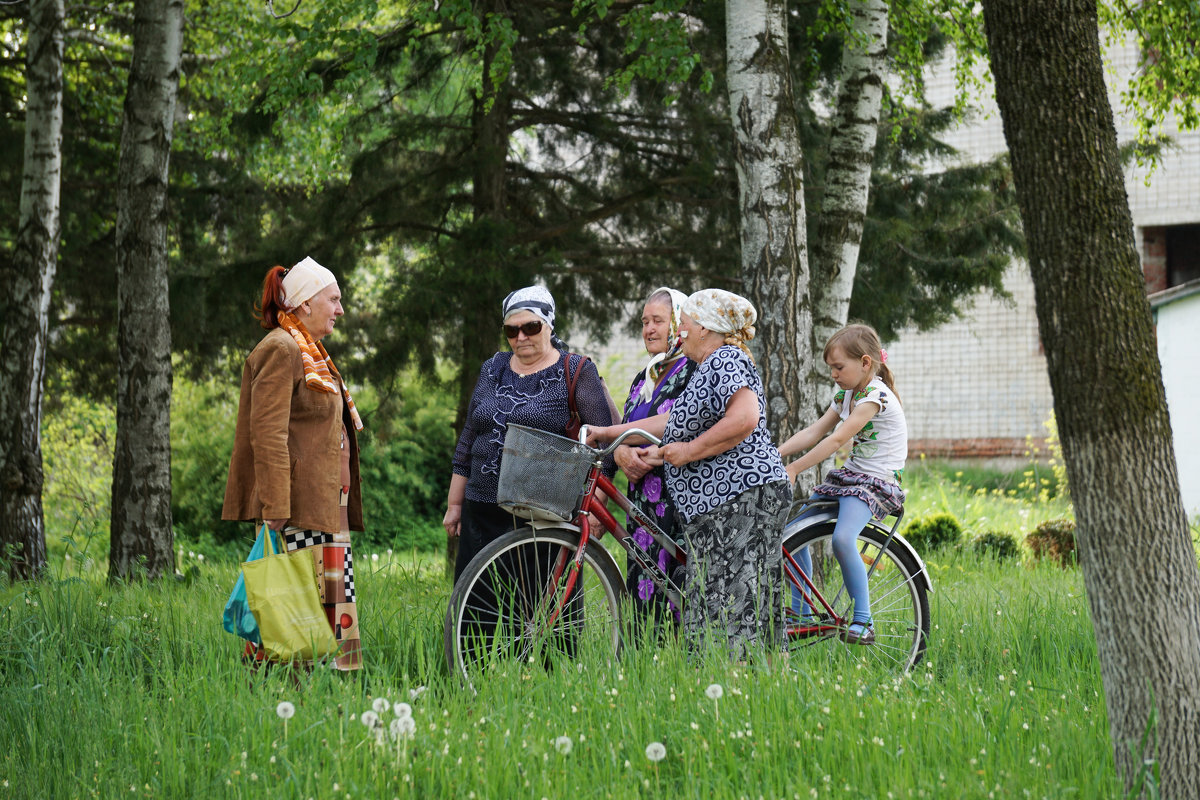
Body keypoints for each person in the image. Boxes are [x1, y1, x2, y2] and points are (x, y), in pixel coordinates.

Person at [590, 288, 791, 658]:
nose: (678, 332)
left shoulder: (725, 359)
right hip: (720, 504)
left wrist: (687, 451)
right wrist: (616, 436)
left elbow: (745, 418)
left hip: (740, 497)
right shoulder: (709, 368)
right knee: (716, 606)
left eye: (682, 324)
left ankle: (741, 693)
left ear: (705, 328)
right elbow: (674, 423)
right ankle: (731, 689)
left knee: (735, 608)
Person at [222, 256, 365, 671]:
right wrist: (276, 509)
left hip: (322, 505)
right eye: (333, 300)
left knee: (326, 603)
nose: (340, 309)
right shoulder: (281, 349)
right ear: (305, 304)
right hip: (295, 508)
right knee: (292, 604)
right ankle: (281, 694)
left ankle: (326, 690)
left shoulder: (312, 351)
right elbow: (267, 435)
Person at [444, 286, 616, 581]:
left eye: (530, 327)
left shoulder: (574, 369)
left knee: (541, 612)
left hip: (545, 516)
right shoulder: (493, 367)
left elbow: (605, 445)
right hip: (481, 512)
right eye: (512, 330)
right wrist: (455, 504)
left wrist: (596, 507)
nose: (521, 337)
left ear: (548, 325)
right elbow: (469, 439)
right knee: (472, 615)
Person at [777, 323, 907, 646]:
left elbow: (836, 440)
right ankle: (802, 610)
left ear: (865, 363)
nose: (833, 374)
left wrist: (794, 467)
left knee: (843, 539)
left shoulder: (876, 396)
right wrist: (774, 453)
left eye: (838, 367)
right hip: (850, 478)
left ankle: (864, 619)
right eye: (831, 368)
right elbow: (814, 432)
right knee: (791, 534)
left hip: (876, 482)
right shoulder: (846, 394)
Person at [611, 288, 696, 630]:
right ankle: (647, 665)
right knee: (644, 601)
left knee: (683, 591)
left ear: (679, 323)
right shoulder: (642, 378)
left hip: (681, 500)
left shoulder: (695, 369)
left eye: (658, 320)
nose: (648, 329)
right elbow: (625, 430)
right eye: (644, 321)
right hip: (643, 507)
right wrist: (620, 452)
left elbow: (691, 426)